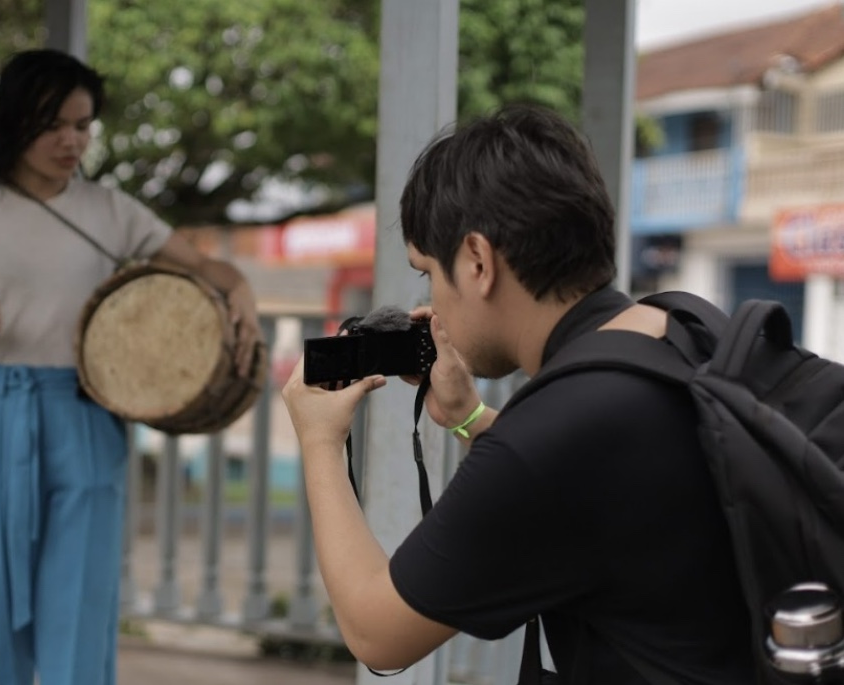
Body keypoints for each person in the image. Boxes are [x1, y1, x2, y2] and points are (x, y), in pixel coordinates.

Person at [281, 104, 755, 683]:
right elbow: (590, 482)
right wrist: (468, 417)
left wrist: (320, 441)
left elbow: (375, 632)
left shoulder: (552, 440)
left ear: (478, 262)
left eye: (429, 273)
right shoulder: (684, 326)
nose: (431, 298)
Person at [0, 48, 260, 685]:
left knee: (83, 595)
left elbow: (211, 269)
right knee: (4, 589)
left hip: (88, 412)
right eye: (53, 125)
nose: (71, 141)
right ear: (15, 121)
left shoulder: (110, 209)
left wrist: (241, 292)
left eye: (83, 125)